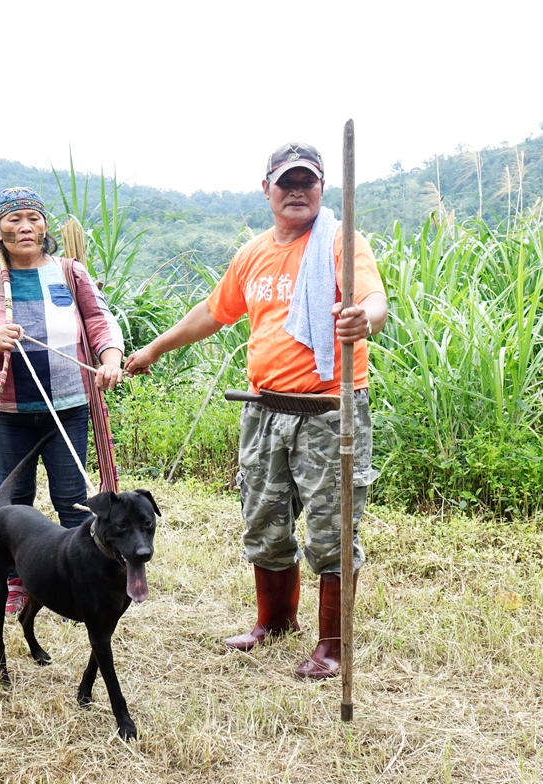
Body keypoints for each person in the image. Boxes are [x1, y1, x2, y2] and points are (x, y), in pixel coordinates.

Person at [124, 142, 388, 680]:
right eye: (286, 182)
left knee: (332, 530)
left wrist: (363, 320)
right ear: (265, 188)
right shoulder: (253, 254)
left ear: (321, 188)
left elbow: (374, 303)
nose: (297, 191)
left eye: (307, 182)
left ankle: (333, 648)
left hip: (329, 413)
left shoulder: (340, 240)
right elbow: (213, 311)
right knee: (264, 520)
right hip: (264, 412)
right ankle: (276, 622)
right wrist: (154, 348)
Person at [0, 187, 124, 614]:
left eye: (34, 218)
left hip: (70, 406)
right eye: (14, 219)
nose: (26, 227)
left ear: (45, 225)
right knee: (14, 502)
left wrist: (111, 358)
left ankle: (89, 576)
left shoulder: (70, 272)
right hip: (6, 413)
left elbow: (100, 321)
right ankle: (18, 582)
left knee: (72, 498)